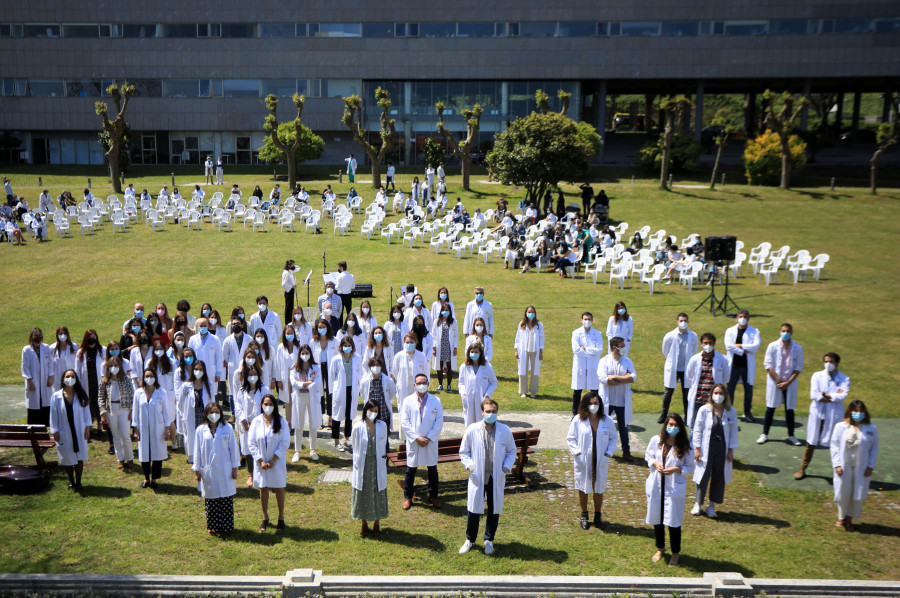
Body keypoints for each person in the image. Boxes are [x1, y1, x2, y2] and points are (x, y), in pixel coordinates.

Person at [459, 400, 519, 559]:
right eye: (488, 411)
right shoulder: (472, 429)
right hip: (478, 476)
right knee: (473, 509)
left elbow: (512, 451)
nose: (491, 414)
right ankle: (470, 539)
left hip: (496, 475)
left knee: (494, 509)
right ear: (482, 412)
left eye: (494, 411)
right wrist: (470, 466)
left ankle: (489, 540)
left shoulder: (504, 430)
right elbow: (463, 452)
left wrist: (506, 467)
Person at [645, 413, 695, 567]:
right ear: (666, 425)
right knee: (657, 519)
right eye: (670, 424)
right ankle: (660, 548)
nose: (672, 428)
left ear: (680, 427)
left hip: (673, 487)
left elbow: (691, 466)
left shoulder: (686, 446)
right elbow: (648, 455)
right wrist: (654, 463)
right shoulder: (657, 440)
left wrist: (676, 469)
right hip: (657, 484)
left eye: (675, 425)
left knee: (673, 521)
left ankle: (675, 552)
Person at [795, 352, 850, 480]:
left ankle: (840, 469)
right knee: (811, 441)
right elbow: (814, 395)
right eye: (826, 361)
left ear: (837, 363)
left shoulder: (844, 378)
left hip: (834, 414)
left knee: (837, 443)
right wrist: (832, 396)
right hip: (818, 413)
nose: (828, 364)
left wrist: (825, 395)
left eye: (831, 361)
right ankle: (803, 467)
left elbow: (842, 396)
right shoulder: (817, 376)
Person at [567, 391, 616, 530]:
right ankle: (584, 515)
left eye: (596, 403)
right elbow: (570, 438)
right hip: (584, 459)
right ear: (585, 405)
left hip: (600, 458)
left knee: (598, 488)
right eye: (591, 403)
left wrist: (609, 453)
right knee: (583, 487)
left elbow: (613, 438)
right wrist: (577, 453)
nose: (593, 406)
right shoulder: (578, 420)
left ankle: (598, 515)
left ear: (600, 405)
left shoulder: (607, 420)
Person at [691, 384, 739, 519]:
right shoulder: (704, 410)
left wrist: (731, 450)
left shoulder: (731, 411)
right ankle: (698, 503)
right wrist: (697, 448)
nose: (718, 396)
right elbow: (697, 429)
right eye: (716, 393)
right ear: (711, 394)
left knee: (719, 476)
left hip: (722, 449)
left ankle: (711, 505)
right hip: (706, 448)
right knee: (703, 475)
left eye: (721, 393)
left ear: (725, 396)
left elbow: (734, 431)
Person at [830, 400, 879, 532]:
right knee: (843, 492)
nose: (858, 413)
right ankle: (841, 516)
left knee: (856, 493)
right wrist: (837, 464)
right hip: (845, 465)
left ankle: (850, 518)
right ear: (850, 411)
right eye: (855, 411)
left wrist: (870, 466)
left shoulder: (871, 428)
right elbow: (834, 446)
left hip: (861, 467)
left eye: (861, 411)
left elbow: (874, 449)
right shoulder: (841, 426)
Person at [192, 402, 240, 536]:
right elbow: (197, 451)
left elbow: (233, 449)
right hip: (208, 469)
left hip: (225, 468)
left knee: (225, 498)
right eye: (211, 412)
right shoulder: (200, 430)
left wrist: (235, 467)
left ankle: (225, 526)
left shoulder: (227, 428)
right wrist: (197, 470)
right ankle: (212, 526)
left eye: (217, 412)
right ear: (206, 414)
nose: (214, 415)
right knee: (211, 498)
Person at [400, 373, 443, 510]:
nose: (422, 385)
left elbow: (439, 422)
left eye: (424, 383)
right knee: (411, 469)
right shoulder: (407, 401)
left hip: (430, 441)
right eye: (419, 383)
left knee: (432, 470)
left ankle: (433, 495)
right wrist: (416, 438)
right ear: (414, 385)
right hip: (414, 441)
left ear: (428, 384)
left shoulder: (436, 401)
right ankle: (408, 496)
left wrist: (429, 438)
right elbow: (404, 422)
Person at [248, 395, 291, 532]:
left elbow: (285, 442)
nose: (268, 406)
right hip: (261, 462)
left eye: (270, 404)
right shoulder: (256, 422)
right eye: (265, 404)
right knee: (263, 487)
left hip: (276, 462)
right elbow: (252, 442)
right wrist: (260, 460)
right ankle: (265, 516)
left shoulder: (281, 422)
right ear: (261, 405)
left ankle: (281, 517)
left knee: (279, 487)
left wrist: (273, 460)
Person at [758, 323, 804, 445]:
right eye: (783, 331)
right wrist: (778, 381)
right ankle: (765, 434)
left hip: (790, 383)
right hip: (775, 382)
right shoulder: (772, 346)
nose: (786, 333)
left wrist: (787, 383)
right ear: (780, 332)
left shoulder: (797, 348)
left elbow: (798, 368)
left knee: (789, 410)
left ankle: (791, 435)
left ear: (792, 332)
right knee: (770, 408)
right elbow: (768, 365)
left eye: (788, 331)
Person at [351, 399, 390, 537]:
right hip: (363, 464)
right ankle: (364, 524)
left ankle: (377, 524)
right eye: (371, 411)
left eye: (376, 411)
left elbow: (384, 443)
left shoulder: (382, 425)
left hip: (378, 463)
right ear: (365, 410)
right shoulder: (358, 427)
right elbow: (355, 446)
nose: (373, 413)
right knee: (363, 491)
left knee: (377, 491)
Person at [48, 369, 91, 490]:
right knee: (67, 457)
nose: (70, 378)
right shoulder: (56, 396)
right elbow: (53, 415)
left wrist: (87, 427)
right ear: (63, 379)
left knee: (79, 457)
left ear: (76, 379)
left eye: (72, 376)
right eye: (67, 376)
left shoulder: (81, 395)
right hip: (64, 430)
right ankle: (71, 481)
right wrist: (55, 431)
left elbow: (86, 413)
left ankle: (78, 481)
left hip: (79, 430)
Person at [133, 368, 174, 489]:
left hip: (158, 428)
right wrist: (135, 429)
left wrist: (167, 430)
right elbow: (135, 412)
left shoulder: (161, 392)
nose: (149, 378)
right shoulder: (138, 393)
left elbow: (166, 412)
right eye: (146, 376)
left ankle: (154, 478)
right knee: (144, 453)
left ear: (155, 377)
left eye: (151, 376)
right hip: (143, 428)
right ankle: (146, 478)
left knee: (157, 453)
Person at [598, 336, 637, 461]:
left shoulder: (627, 361)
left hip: (621, 400)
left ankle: (626, 451)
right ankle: (602, 449)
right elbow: (604, 379)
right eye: (622, 345)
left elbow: (633, 378)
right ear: (615, 347)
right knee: (603, 425)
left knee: (623, 427)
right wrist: (623, 378)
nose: (625, 347)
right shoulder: (604, 361)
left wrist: (613, 377)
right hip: (607, 400)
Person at [234, 355, 268, 487]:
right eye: (250, 374)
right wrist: (244, 421)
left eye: (255, 374)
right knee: (248, 449)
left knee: (261, 448)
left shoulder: (263, 389)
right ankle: (251, 475)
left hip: (260, 424)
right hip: (246, 425)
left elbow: (267, 405)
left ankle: (262, 473)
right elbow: (238, 407)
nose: (253, 376)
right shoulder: (242, 391)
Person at [685, 333, 731, 428]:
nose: (708, 345)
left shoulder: (722, 359)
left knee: (713, 427)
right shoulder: (694, 359)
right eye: (705, 343)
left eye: (710, 343)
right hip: (698, 399)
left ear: (714, 344)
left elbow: (726, 378)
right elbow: (689, 377)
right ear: (701, 344)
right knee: (695, 427)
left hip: (713, 400)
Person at [659, 313, 698, 424]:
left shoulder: (693, 336)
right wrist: (671, 360)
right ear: (677, 321)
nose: (683, 323)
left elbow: (694, 350)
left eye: (685, 320)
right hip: (673, 368)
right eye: (681, 320)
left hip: (686, 368)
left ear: (688, 322)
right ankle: (663, 415)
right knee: (668, 392)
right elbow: (665, 350)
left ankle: (687, 417)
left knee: (687, 393)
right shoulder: (670, 335)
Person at [98, 354, 135, 469]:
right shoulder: (104, 381)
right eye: (111, 365)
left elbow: (132, 395)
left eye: (116, 365)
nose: (114, 367)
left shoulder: (126, 379)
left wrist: (131, 410)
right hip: (111, 409)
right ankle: (120, 458)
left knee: (125, 435)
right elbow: (100, 397)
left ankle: (130, 458)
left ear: (120, 366)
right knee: (116, 435)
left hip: (124, 408)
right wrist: (103, 412)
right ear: (108, 367)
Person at [724, 309, 761, 423]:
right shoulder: (730, 331)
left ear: (748, 318)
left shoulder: (754, 331)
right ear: (737, 318)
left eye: (745, 317)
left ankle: (747, 412)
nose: (742, 319)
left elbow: (755, 346)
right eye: (740, 316)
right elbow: (728, 346)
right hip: (733, 365)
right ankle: (729, 411)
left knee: (748, 390)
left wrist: (739, 346)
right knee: (730, 389)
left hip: (747, 366)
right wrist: (744, 350)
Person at [178, 358, 215, 465]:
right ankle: (192, 455)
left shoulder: (208, 384)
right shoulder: (186, 386)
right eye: (196, 369)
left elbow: (212, 401)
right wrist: (183, 413)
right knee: (191, 434)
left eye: (201, 369)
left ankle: (204, 454)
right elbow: (180, 403)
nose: (198, 371)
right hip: (190, 414)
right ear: (193, 370)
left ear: (204, 371)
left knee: (204, 433)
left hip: (204, 415)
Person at [289, 344, 322, 462]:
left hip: (311, 396)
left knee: (313, 423)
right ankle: (297, 451)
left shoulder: (315, 367)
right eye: (302, 353)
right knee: (299, 424)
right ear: (299, 355)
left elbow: (317, 382)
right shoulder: (294, 368)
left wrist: (304, 385)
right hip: (299, 397)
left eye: (307, 353)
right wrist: (306, 383)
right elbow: (293, 383)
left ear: (310, 354)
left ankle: (312, 449)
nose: (304, 355)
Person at [329, 336, 362, 451]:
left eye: (349, 345)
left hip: (352, 389)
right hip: (339, 390)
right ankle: (337, 441)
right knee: (337, 416)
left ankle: (346, 439)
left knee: (349, 415)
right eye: (345, 345)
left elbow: (360, 375)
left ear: (352, 346)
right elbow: (331, 376)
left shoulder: (357, 358)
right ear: (341, 347)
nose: (347, 348)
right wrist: (332, 392)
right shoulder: (336, 359)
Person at [571, 312, 604, 416]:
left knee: (594, 391)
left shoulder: (597, 334)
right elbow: (575, 350)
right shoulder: (576, 333)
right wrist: (591, 352)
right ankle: (575, 413)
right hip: (580, 365)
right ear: (581, 320)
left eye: (589, 319)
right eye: (585, 319)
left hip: (592, 366)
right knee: (577, 391)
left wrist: (585, 348)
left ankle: (595, 413)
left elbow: (599, 350)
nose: (587, 321)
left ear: (592, 321)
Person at [360, 358, 396, 454]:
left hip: (384, 414)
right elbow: (363, 394)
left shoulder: (388, 380)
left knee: (384, 440)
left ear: (381, 366)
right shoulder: (364, 381)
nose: (375, 367)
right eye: (373, 365)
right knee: (370, 437)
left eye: (378, 365)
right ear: (370, 367)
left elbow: (392, 393)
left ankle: (385, 462)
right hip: (370, 415)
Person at [459, 342, 498, 427]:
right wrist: (463, 394)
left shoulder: (487, 366)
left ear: (480, 353)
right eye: (472, 352)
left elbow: (493, 382)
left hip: (482, 398)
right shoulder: (464, 367)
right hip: (468, 398)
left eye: (476, 352)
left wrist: (488, 393)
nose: (474, 354)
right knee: (469, 423)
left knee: (482, 424)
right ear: (468, 353)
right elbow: (461, 383)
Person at [391, 332, 429, 413]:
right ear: (404, 343)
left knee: (417, 409)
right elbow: (394, 373)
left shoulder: (421, 356)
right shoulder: (398, 356)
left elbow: (425, 372)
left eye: (411, 342)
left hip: (417, 388)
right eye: (407, 342)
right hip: (403, 387)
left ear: (416, 342)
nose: (409, 344)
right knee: (403, 409)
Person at [22, 327, 53, 425]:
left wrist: (50, 377)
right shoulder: (27, 350)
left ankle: (46, 433)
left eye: (40, 335)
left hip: (45, 382)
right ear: (31, 336)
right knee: (34, 408)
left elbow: (50, 364)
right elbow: (25, 367)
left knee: (45, 405)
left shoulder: (46, 348)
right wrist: (30, 381)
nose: (38, 337)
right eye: (36, 335)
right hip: (33, 383)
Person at [514, 306, 544, 399]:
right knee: (523, 371)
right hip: (523, 351)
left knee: (535, 372)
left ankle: (533, 391)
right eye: (529, 312)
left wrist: (541, 352)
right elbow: (518, 338)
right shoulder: (522, 324)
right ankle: (523, 391)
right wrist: (516, 350)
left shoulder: (539, 325)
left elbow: (542, 338)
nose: (531, 313)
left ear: (535, 313)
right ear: (526, 313)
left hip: (535, 351)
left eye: (532, 312)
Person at [432, 303, 458, 393]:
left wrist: (455, 347)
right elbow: (434, 335)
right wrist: (434, 347)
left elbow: (455, 336)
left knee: (450, 366)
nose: (445, 312)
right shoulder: (437, 321)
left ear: (450, 311)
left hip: (449, 347)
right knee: (439, 366)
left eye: (447, 310)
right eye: (444, 310)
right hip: (439, 346)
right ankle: (440, 384)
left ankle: (449, 385)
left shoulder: (453, 322)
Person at [50, 326, 78, 392]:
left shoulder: (74, 346)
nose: (63, 336)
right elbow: (50, 365)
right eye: (60, 334)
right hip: (58, 377)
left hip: (71, 376)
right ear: (57, 335)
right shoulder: (52, 348)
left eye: (64, 333)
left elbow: (78, 362)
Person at [335, 261, 355, 326]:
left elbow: (337, 288)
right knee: (349, 312)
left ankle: (340, 326)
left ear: (341, 268)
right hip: (349, 295)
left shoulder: (339, 276)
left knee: (340, 313)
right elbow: (353, 286)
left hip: (341, 296)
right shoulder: (351, 276)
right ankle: (350, 325)